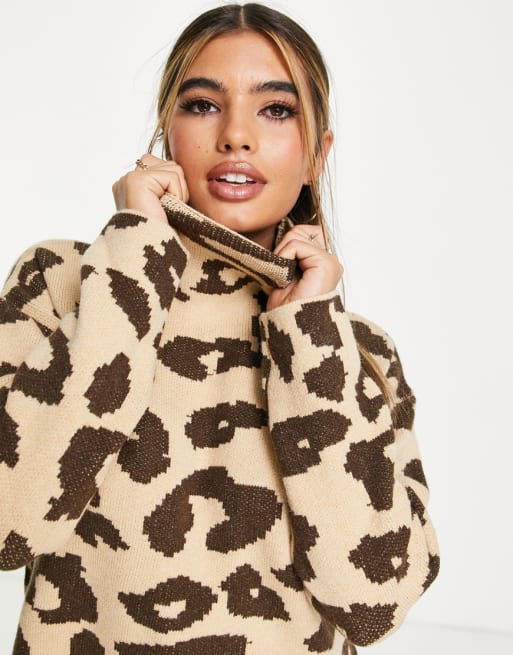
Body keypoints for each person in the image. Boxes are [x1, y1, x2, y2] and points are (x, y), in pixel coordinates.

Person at [0, 3, 439, 654]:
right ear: (165, 136)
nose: (236, 134)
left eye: (276, 109)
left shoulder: (356, 350)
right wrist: (134, 264)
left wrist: (307, 334)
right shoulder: (62, 282)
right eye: (203, 105)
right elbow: (9, 526)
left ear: (316, 155)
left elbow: (372, 604)